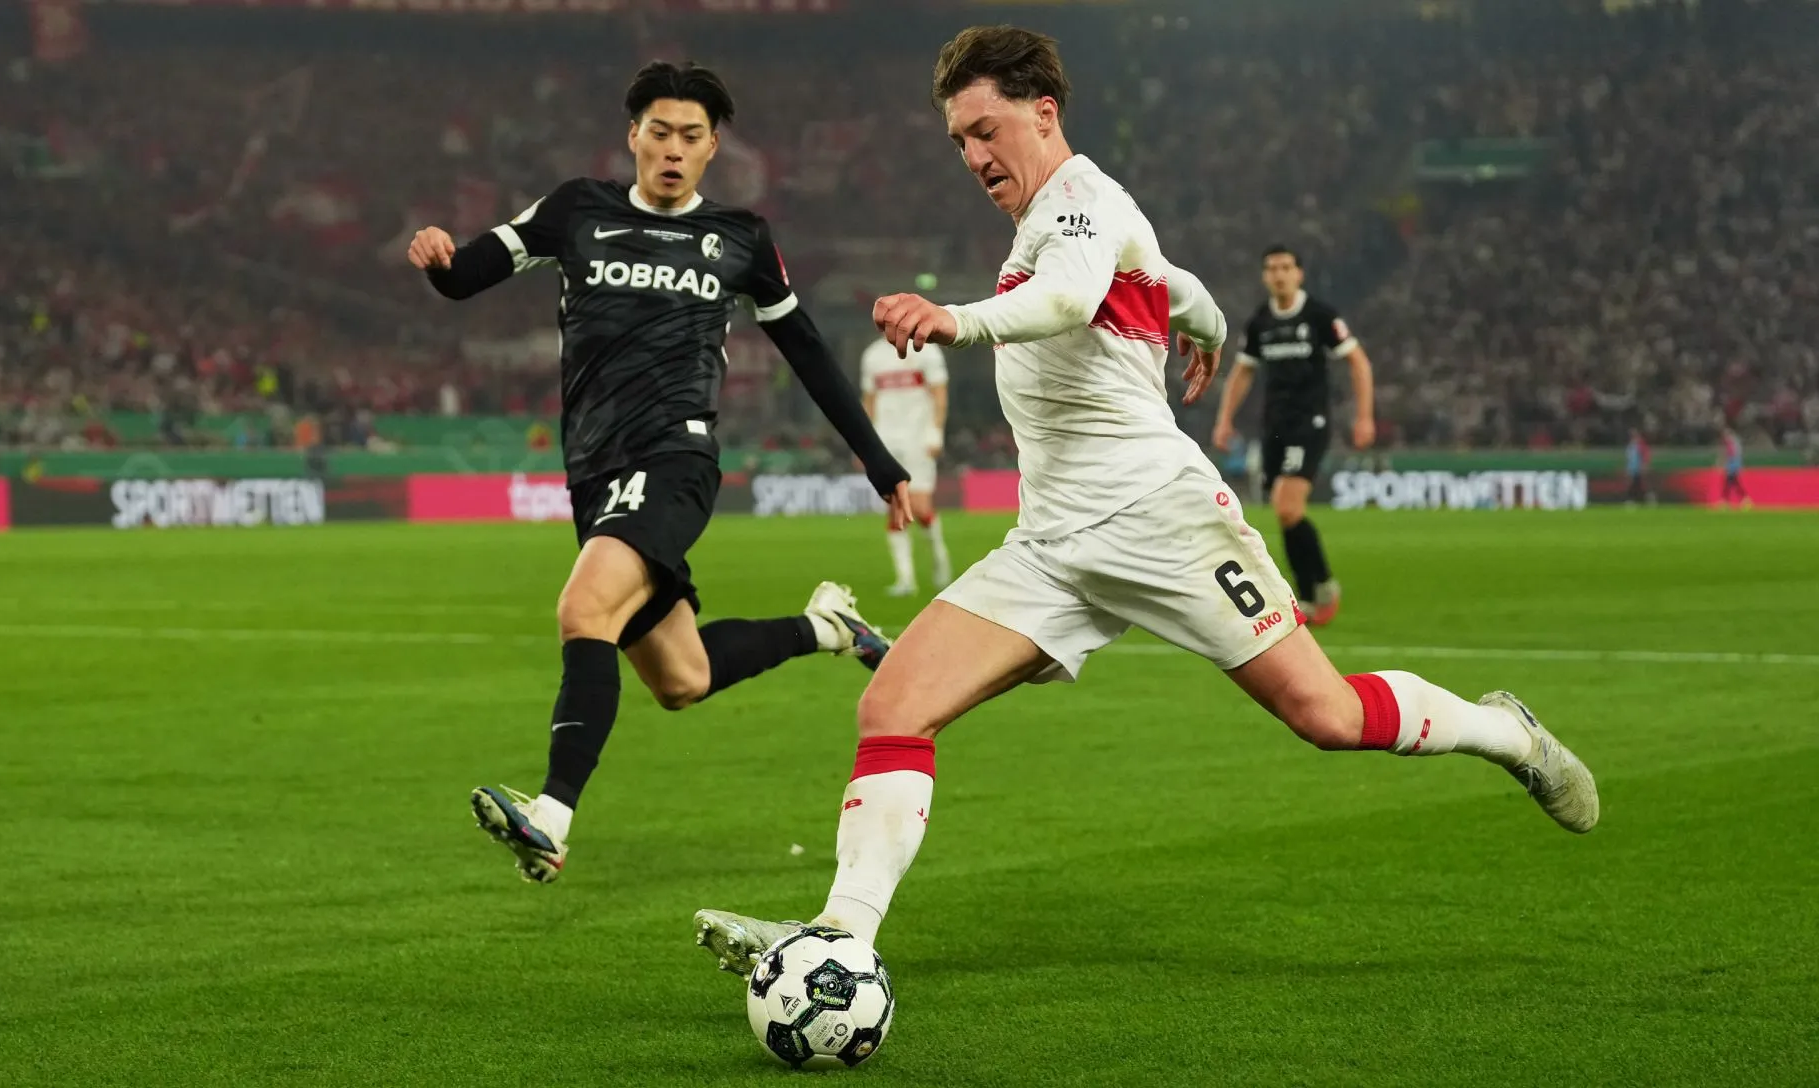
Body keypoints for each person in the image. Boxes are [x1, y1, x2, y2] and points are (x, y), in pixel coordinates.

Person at [692, 25, 1598, 971]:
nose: (972, 157)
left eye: (986, 130)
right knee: (893, 707)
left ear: (1044, 111)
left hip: (1161, 520)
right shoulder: (1054, 224)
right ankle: (839, 941)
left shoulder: (1082, 200)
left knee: (1325, 716)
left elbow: (1073, 299)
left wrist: (955, 319)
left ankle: (1507, 733)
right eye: (959, 140)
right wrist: (1201, 323)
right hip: (1051, 546)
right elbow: (1174, 282)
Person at [408, 61, 913, 886]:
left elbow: (808, 352)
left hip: (674, 458)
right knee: (683, 679)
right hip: (594, 472)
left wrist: (877, 459)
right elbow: (467, 275)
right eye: (660, 132)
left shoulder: (740, 238)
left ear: (713, 147)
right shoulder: (577, 211)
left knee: (583, 608)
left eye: (692, 137)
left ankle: (551, 816)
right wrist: (438, 258)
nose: (673, 150)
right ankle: (828, 628)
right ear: (632, 137)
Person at [1211, 247, 1374, 626]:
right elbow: (1243, 372)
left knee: (1288, 507)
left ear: (1299, 274)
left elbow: (1358, 362)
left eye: (1286, 267)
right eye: (1271, 268)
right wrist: (1224, 420)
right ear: (1264, 277)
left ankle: (1316, 589)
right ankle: (1313, 590)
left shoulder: (1320, 316)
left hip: (1310, 423)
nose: (1279, 274)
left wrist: (1364, 417)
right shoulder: (1260, 323)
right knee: (1284, 514)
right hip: (1276, 427)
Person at [859, 334, 953, 595]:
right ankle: (905, 579)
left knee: (921, 506)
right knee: (895, 507)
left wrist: (936, 432)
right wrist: (865, 443)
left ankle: (938, 556)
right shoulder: (872, 355)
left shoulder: (926, 352)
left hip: (918, 438)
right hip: (886, 440)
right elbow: (869, 401)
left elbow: (939, 393)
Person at [1718, 426, 1750, 509]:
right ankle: (1743, 499)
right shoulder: (1733, 443)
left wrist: (1730, 467)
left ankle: (1726, 501)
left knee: (1730, 483)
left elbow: (1733, 456)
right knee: (1732, 484)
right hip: (1733, 465)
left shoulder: (1732, 444)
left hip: (1733, 466)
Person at [1626, 427, 1651, 505]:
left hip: (1638, 468)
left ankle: (1645, 498)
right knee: (1636, 484)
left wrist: (1644, 465)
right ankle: (1643, 499)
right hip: (1632, 468)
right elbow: (1629, 458)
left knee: (1638, 484)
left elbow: (1645, 455)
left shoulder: (1640, 445)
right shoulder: (1630, 445)